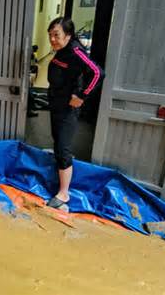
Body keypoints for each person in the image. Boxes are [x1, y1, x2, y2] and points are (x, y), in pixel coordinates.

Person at [46, 17, 104, 211]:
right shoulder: (61, 51)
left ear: (68, 35)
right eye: (50, 35)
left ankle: (64, 193)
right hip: (57, 105)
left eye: (57, 35)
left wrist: (82, 95)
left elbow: (97, 73)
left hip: (68, 109)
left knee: (63, 148)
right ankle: (61, 178)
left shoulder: (75, 51)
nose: (52, 39)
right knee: (58, 143)